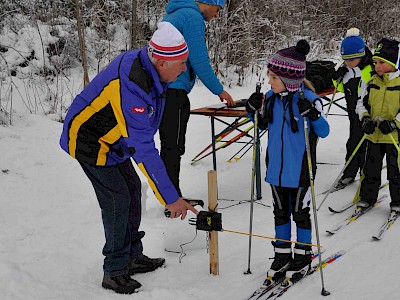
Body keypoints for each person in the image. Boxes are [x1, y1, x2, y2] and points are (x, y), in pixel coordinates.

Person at [59, 22, 198, 294]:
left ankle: (132, 256)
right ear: (160, 61)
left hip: (115, 139)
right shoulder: (132, 83)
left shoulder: (152, 70)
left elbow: (143, 131)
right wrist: (170, 197)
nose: (185, 68)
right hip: (90, 140)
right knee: (117, 199)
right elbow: (143, 148)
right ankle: (114, 269)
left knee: (133, 189)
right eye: (181, 63)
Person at [246, 40, 330, 283]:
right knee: (280, 211)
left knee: (299, 212)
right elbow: (261, 124)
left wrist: (312, 114)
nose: (269, 80)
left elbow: (323, 131)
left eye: (273, 76)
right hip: (276, 170)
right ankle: (282, 254)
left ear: (289, 79)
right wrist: (252, 110)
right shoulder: (271, 98)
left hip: (301, 170)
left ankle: (303, 255)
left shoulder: (310, 99)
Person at [160, 0, 235, 199]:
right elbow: (199, 59)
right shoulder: (192, 17)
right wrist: (220, 91)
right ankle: (171, 199)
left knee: (170, 145)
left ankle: (169, 195)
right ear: (209, 3)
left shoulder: (176, 14)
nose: (217, 15)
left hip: (164, 90)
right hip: (173, 91)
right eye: (218, 10)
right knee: (173, 147)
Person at [355, 37, 400, 213]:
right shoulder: (371, 81)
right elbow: (361, 103)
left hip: (393, 136)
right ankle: (367, 197)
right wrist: (365, 118)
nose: (377, 66)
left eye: (382, 62)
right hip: (373, 134)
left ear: (393, 62)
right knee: (370, 168)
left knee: (395, 170)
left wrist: (394, 123)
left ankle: (397, 200)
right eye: (375, 62)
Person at [332, 28, 374, 190]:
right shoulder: (346, 69)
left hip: (369, 115)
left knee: (367, 146)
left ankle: (368, 175)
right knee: (353, 144)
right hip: (353, 114)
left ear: (361, 55)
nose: (348, 63)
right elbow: (341, 88)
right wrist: (338, 77)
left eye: (351, 59)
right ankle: (349, 173)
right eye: (345, 59)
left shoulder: (370, 69)